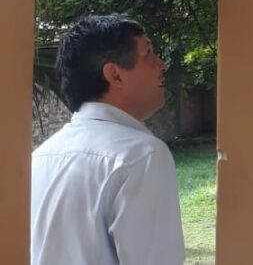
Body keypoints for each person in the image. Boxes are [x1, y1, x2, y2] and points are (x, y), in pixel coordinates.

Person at [31, 15, 185, 265]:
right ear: (115, 76)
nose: (162, 64)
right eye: (148, 54)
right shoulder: (141, 156)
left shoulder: (39, 159)